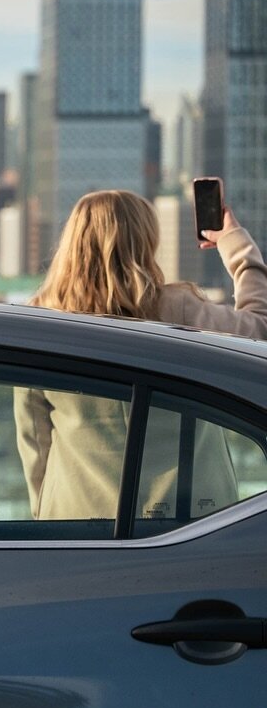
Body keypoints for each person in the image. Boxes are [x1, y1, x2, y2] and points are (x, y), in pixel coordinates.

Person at [16, 189, 267, 522]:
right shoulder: (180, 311)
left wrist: (44, 514)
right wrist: (234, 242)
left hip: (77, 521)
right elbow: (260, 330)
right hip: (192, 519)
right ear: (146, 241)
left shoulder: (39, 323)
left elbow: (35, 439)